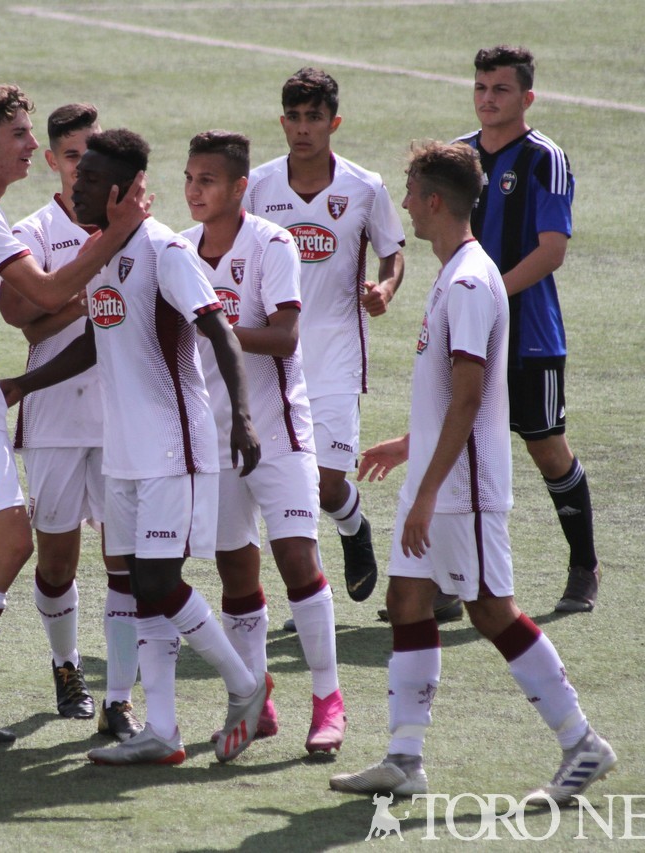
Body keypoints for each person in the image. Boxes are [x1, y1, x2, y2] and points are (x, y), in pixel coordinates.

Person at [328, 141, 615, 804]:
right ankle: (404, 758)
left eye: (410, 193)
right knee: (407, 601)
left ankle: (581, 743)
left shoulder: (467, 282)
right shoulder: (458, 271)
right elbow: (452, 399)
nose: (403, 204)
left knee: (490, 610)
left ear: (435, 201)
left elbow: (469, 396)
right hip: (438, 480)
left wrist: (427, 490)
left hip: (462, 491)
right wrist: (410, 445)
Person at [0, 128, 269, 766]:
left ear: (121, 191)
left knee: (157, 581)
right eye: (77, 176)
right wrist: (22, 385)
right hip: (122, 452)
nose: (77, 187)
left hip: (173, 450)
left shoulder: (165, 251)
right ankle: (163, 731)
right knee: (138, 587)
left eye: (91, 180)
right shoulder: (101, 254)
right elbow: (99, 340)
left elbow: (221, 333)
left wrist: (243, 419)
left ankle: (245, 686)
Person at [0, 85, 147, 760]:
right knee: (14, 544)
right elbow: (40, 293)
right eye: (18, 134)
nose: (29, 145)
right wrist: (117, 235)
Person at [180, 130, 346, 755]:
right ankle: (255, 697)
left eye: (207, 180)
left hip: (278, 432)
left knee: (298, 558)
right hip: (214, 437)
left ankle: (328, 700)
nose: (194, 190)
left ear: (239, 188)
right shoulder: (179, 250)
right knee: (235, 570)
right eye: (189, 178)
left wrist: (213, 326)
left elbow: (284, 337)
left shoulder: (273, 243)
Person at [0, 103, 142, 740]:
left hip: (121, 420)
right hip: (54, 418)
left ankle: (120, 697)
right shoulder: (32, 230)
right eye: (73, 156)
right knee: (56, 562)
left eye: (93, 155)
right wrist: (81, 302)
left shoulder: (131, 225)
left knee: (125, 562)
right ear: (53, 160)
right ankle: (66, 665)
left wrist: (71, 303)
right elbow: (19, 317)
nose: (83, 168)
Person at [245, 67, 405, 609]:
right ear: (282, 122)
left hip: (337, 357)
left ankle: (353, 524)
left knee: (326, 484)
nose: (303, 128)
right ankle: (308, 601)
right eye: (294, 117)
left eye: (314, 117)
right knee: (288, 485)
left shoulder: (365, 187)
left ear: (333, 122)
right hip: (271, 361)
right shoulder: (258, 186)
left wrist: (386, 287)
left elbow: (391, 251)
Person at [452, 45, 600, 614]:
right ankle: (450, 579)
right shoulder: (458, 155)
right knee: (455, 447)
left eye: (501, 89)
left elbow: (552, 250)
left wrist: (489, 293)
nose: (488, 99)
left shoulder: (545, 159)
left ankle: (584, 565)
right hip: (466, 330)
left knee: (547, 449)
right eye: (481, 88)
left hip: (530, 334)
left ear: (527, 97)